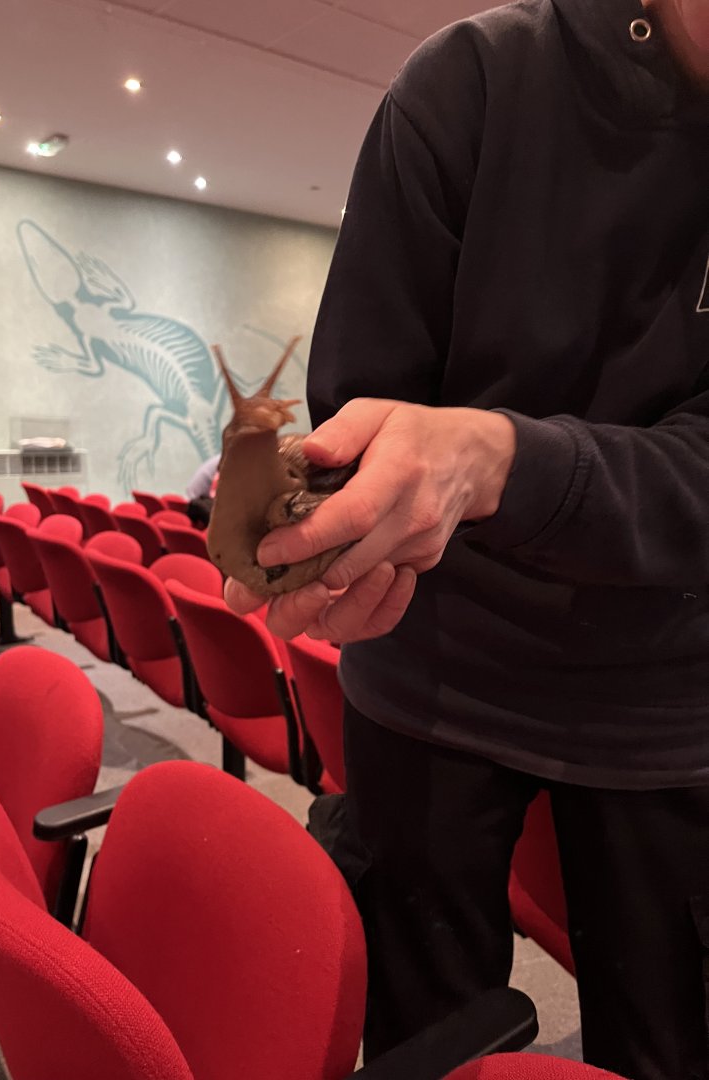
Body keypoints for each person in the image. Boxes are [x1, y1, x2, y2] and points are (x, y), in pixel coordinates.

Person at [225, 1, 709, 1077]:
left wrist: (504, 462)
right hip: (431, 677)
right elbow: (366, 398)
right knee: (429, 1045)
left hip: (672, 712)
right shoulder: (469, 83)